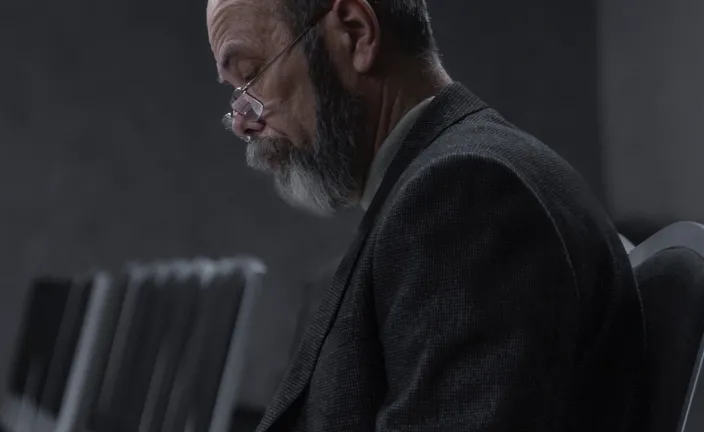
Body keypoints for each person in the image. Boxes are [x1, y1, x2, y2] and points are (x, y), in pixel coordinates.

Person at [206, 0, 645, 430]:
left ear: (356, 32)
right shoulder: (440, 188)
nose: (243, 121)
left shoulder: (466, 195)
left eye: (251, 75)